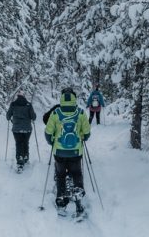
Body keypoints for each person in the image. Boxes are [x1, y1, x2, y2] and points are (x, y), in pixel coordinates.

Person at [45, 88, 91, 216]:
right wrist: (82, 136)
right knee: (76, 173)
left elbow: (48, 132)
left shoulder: (55, 113)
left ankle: (61, 199)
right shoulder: (81, 113)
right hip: (75, 151)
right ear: (74, 98)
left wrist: (52, 141)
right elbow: (87, 133)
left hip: (59, 151)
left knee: (60, 175)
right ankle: (78, 195)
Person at [6, 92, 36, 168]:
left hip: (16, 129)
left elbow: (8, 117)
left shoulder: (13, 104)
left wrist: (11, 117)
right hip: (27, 128)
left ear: (17, 96)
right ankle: (26, 156)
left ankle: (20, 160)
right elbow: (33, 117)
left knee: (19, 143)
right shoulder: (28, 105)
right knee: (26, 142)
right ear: (24, 96)